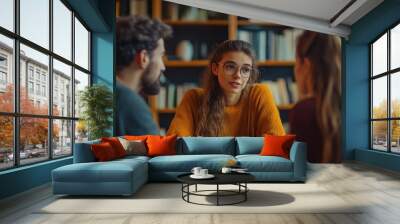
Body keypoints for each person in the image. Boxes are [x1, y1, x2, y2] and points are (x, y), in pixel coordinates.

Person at [167, 40, 285, 136]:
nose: (237, 75)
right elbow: (176, 144)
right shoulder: (193, 98)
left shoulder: (259, 94)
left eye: (245, 70)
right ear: (215, 69)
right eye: (230, 67)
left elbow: (277, 145)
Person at [289, 31, 341, 163]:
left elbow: (297, 172)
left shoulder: (305, 111)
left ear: (306, 65)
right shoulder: (353, 106)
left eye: (295, 63)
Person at [116, 16, 172, 136]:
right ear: (144, 58)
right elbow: (160, 154)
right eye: (161, 55)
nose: (163, 66)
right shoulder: (130, 103)